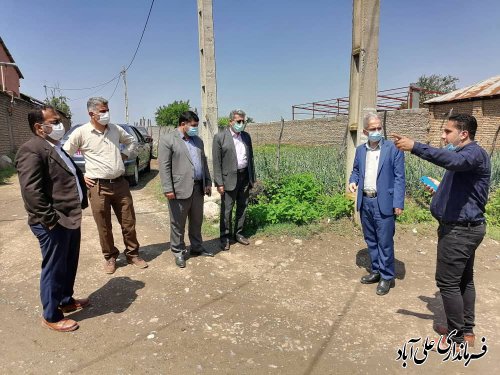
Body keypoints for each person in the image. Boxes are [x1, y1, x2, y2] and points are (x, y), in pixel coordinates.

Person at [393, 114, 490, 347]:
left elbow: (451, 162)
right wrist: (440, 190)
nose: (443, 135)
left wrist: (415, 146)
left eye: (448, 131)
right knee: (464, 281)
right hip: (465, 228)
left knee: (448, 284)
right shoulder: (465, 156)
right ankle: (466, 331)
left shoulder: (473, 153)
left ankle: (457, 335)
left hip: (459, 232)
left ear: (463, 133)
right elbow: (461, 182)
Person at [15, 106, 89, 332]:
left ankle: (65, 300)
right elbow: (31, 192)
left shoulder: (55, 146)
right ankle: (51, 314)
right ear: (39, 127)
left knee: (68, 262)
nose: (60, 126)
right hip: (52, 221)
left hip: (69, 216)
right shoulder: (31, 150)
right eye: (54, 122)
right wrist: (50, 219)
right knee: (54, 267)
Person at [63, 97, 148, 274]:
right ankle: (110, 257)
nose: (106, 114)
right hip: (98, 187)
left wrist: (124, 156)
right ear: (91, 114)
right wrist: (81, 175)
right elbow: (64, 156)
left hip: (120, 184)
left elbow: (131, 142)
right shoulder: (81, 132)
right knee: (104, 226)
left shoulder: (115, 129)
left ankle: (132, 254)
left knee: (128, 222)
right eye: (102, 111)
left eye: (107, 110)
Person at [349, 112, 405, 296]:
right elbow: (356, 170)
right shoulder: (360, 150)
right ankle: (376, 271)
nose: (377, 131)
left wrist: (398, 202)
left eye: (379, 128)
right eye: (373, 129)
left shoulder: (392, 148)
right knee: (371, 239)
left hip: (385, 202)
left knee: (385, 241)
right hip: (366, 200)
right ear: (365, 131)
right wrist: (353, 180)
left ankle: (387, 276)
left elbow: (399, 178)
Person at [158, 111, 214, 268]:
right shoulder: (168, 139)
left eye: (197, 125)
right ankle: (178, 252)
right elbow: (164, 166)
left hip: (198, 187)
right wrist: (168, 188)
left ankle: (196, 247)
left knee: (196, 221)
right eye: (194, 125)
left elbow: (203, 163)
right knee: (178, 223)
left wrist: (208, 182)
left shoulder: (198, 141)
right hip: (178, 189)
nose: (196, 128)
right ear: (183, 124)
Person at [212, 109, 256, 251]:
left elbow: (251, 159)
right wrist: (219, 182)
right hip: (228, 179)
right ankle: (225, 237)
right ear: (231, 122)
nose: (241, 124)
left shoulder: (246, 137)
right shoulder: (220, 137)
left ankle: (239, 233)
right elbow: (216, 163)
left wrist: (252, 178)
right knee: (227, 210)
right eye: (238, 121)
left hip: (244, 177)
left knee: (242, 206)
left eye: (243, 121)